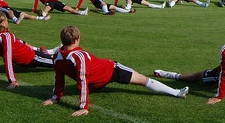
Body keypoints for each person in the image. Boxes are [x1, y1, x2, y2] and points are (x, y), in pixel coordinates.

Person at [42, 25, 189, 116]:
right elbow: (82, 80)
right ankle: (176, 92)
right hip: (110, 70)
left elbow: (59, 78)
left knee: (89, 81)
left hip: (99, 79)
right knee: (143, 80)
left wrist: (55, 98)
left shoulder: (57, 56)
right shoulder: (79, 56)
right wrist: (83, 107)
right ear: (76, 40)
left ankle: (176, 93)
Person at [0, 12, 56, 89]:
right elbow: (5, 58)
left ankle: (45, 53)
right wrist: (12, 80)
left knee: (59, 62)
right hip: (32, 58)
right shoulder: (3, 36)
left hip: (31, 54)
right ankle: (45, 53)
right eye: (6, 20)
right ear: (3, 22)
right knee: (59, 62)